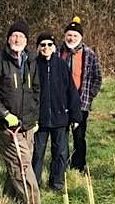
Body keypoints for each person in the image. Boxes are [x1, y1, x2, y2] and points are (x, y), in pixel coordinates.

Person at [0, 20, 41, 204]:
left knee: (20, 165)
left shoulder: (31, 61)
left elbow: (36, 91)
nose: (17, 39)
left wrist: (34, 118)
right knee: (21, 166)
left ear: (26, 40)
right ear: (8, 38)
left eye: (21, 36)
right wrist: (4, 114)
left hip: (27, 124)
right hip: (7, 126)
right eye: (14, 35)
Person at [31, 31, 82, 192]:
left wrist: (75, 115)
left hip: (60, 117)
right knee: (37, 153)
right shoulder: (32, 65)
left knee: (60, 152)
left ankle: (57, 183)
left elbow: (71, 91)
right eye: (43, 45)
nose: (46, 48)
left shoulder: (61, 65)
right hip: (40, 119)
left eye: (49, 45)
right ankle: (35, 184)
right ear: (38, 47)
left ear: (54, 47)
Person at [59, 16, 102, 173]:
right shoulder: (57, 52)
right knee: (61, 136)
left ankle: (78, 166)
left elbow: (98, 77)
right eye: (69, 35)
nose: (72, 38)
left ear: (81, 38)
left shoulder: (89, 54)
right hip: (61, 102)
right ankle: (61, 165)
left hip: (81, 103)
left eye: (75, 35)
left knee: (79, 136)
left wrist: (89, 96)